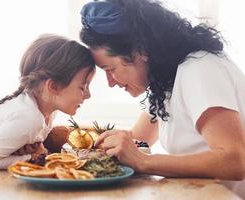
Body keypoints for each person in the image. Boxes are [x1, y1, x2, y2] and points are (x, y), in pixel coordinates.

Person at [79, 0, 245, 198]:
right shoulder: (166, 81)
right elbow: (139, 140)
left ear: (141, 51)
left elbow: (235, 160)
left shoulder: (199, 69)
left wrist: (142, 161)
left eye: (110, 69)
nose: (110, 83)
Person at [0, 34, 95, 198]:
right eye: (83, 87)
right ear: (53, 86)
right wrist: (32, 157)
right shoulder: (29, 117)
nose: (88, 95)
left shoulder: (45, 111)